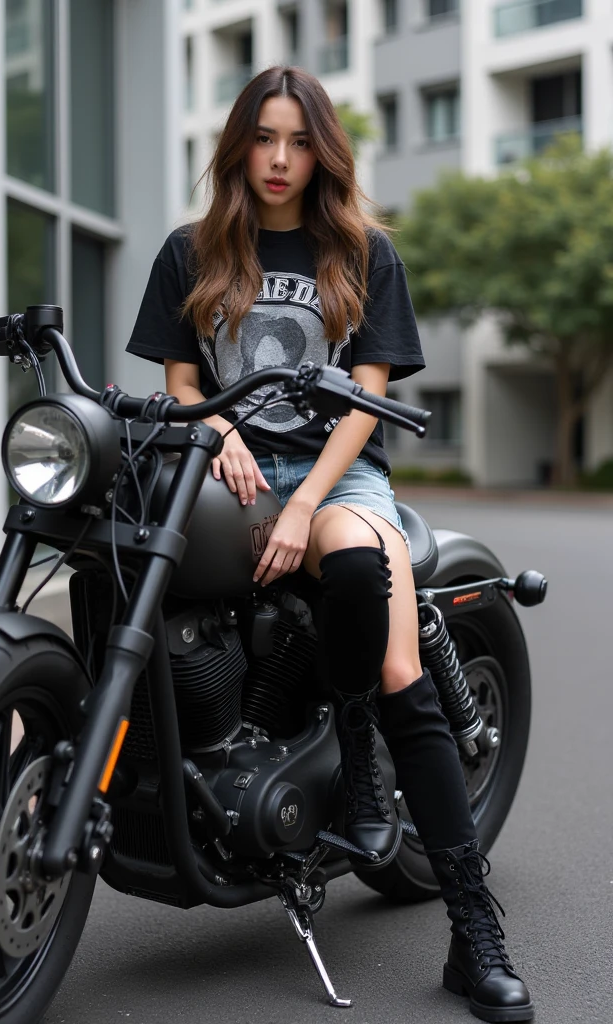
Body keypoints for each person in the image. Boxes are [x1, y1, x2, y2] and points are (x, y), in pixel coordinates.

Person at [127, 66, 534, 1023]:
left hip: (335, 475)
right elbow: (184, 380)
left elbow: (370, 393)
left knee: (390, 644)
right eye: (264, 138)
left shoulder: (360, 250)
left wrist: (306, 499)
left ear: (324, 151)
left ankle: (473, 931)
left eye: (299, 141)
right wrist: (217, 431)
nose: (279, 160)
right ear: (238, 144)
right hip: (222, 470)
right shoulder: (192, 251)